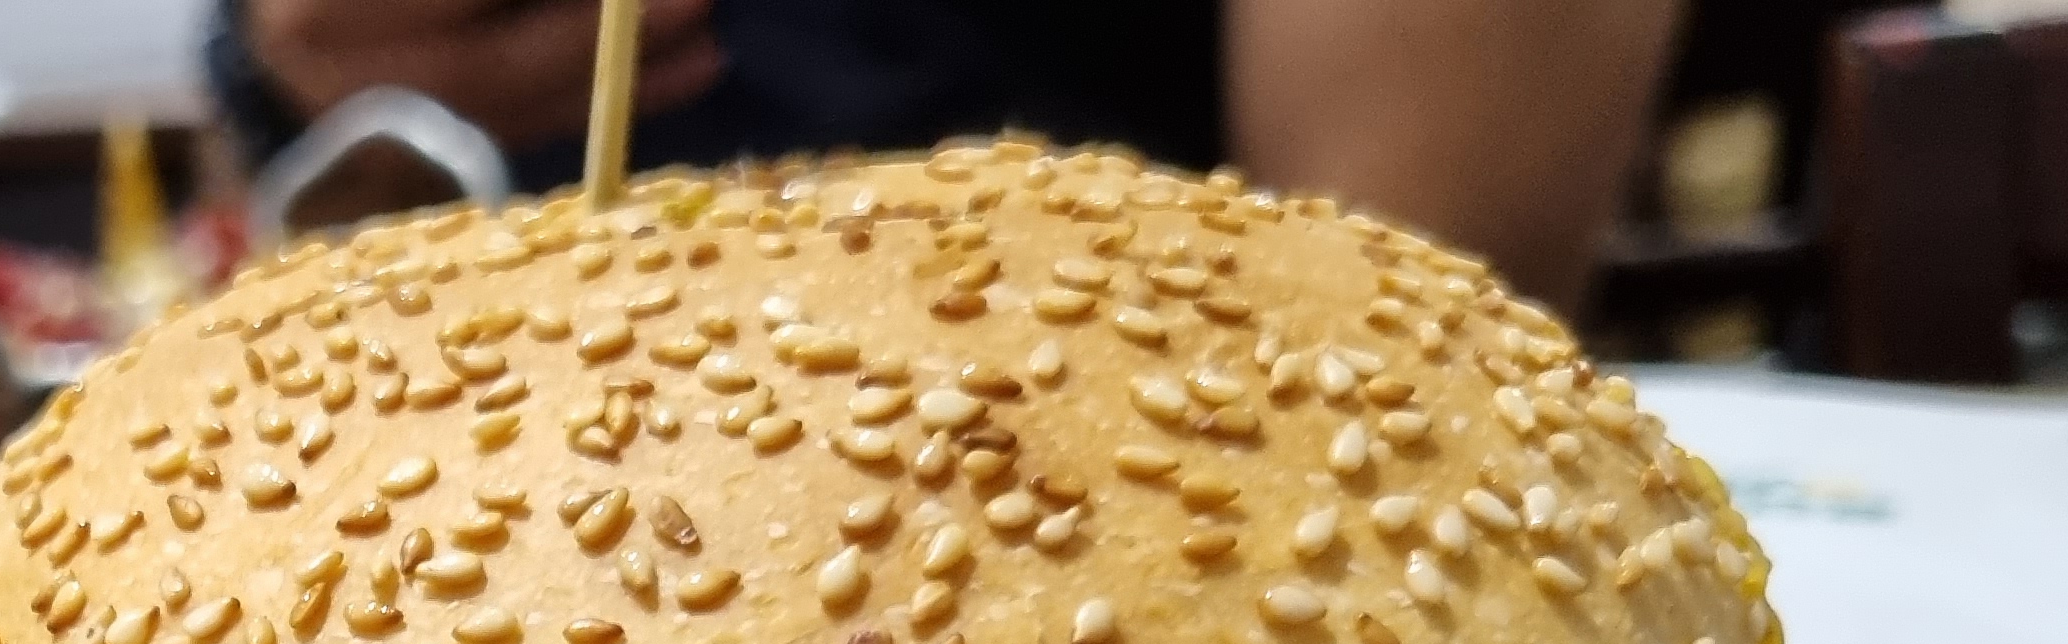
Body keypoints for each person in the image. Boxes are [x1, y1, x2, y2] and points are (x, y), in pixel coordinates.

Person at [209, 0, 1680, 309]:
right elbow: (304, 163)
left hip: (1117, 610)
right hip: (491, 573)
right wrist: (302, 64)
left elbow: (1398, 310)